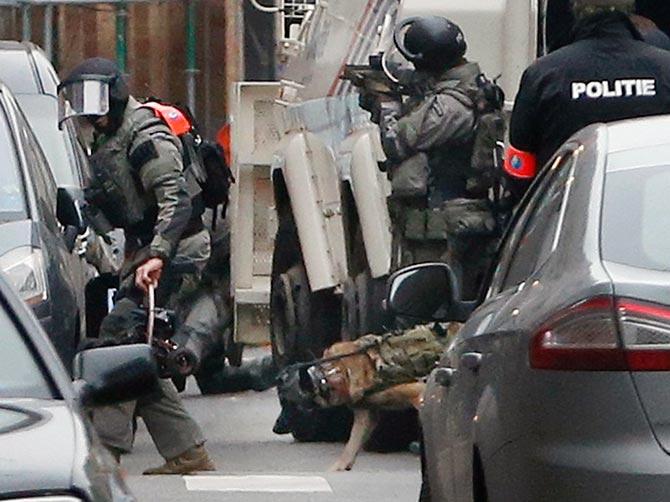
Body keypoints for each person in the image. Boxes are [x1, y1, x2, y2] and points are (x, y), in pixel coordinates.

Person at [58, 58, 215, 475]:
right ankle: (186, 450)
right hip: (150, 251)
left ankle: (104, 453)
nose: (83, 109)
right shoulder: (108, 135)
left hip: (177, 252)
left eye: (88, 97)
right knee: (135, 350)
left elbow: (176, 201)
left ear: (112, 93)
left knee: (117, 341)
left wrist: (159, 254)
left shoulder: (144, 135)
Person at [362, 15, 505, 298]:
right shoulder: (463, 88)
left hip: (443, 227)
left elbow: (397, 142)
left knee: (425, 308)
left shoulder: (452, 105)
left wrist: (387, 105)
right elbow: (423, 88)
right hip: (441, 222)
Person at [505, 1, 670, 197]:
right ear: (629, 8)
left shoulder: (544, 75)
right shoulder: (664, 69)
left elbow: (520, 170)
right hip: (651, 212)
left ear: (575, 9)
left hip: (566, 214)